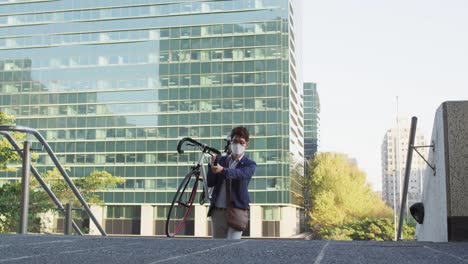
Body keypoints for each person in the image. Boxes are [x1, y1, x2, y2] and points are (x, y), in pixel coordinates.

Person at [207, 126, 256, 239]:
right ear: (230, 143)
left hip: (237, 211)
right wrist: (212, 167)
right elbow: (211, 182)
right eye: (235, 141)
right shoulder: (221, 160)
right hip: (218, 211)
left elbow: (239, 174)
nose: (237, 145)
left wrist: (223, 170)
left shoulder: (250, 164)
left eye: (241, 142)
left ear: (246, 145)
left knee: (232, 247)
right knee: (217, 248)